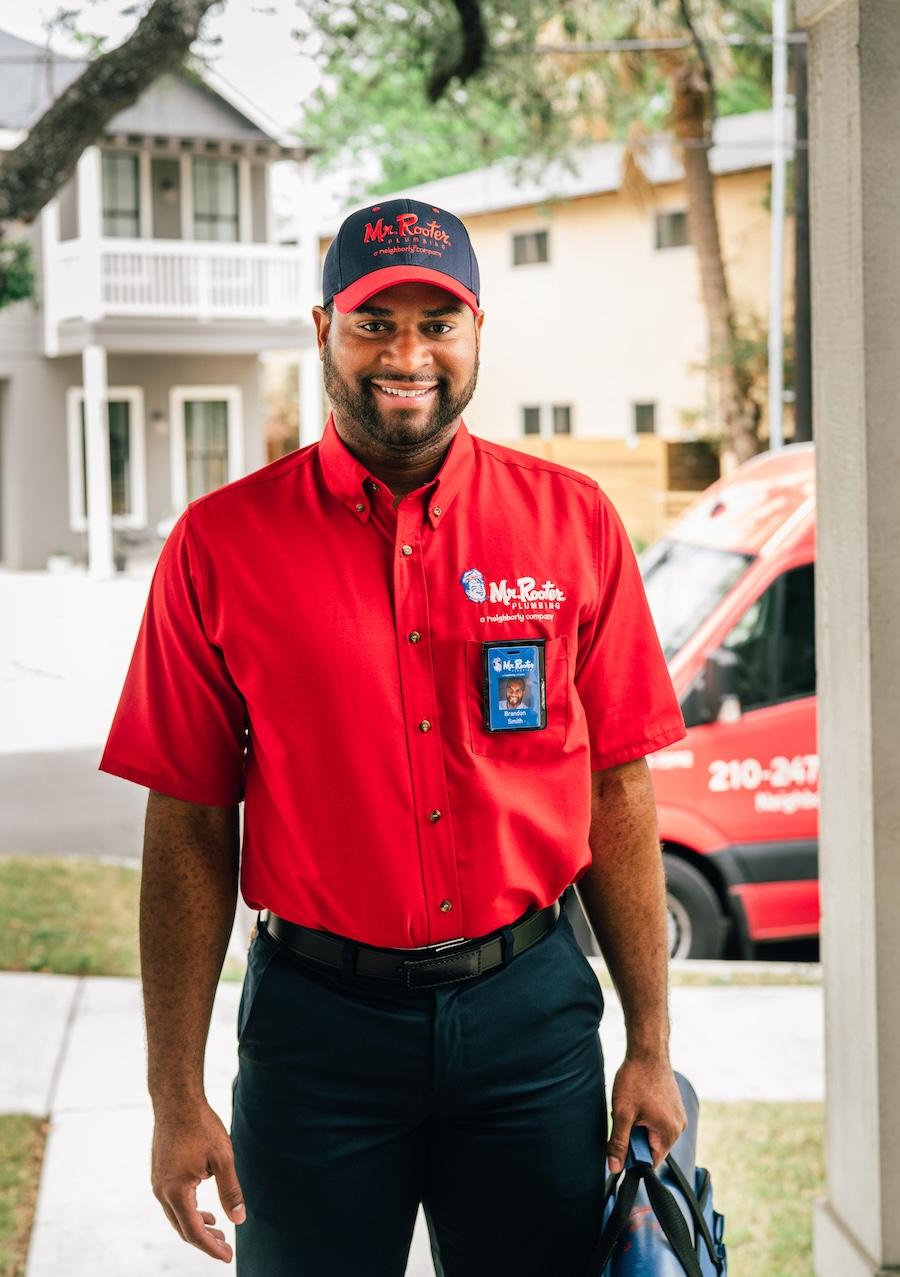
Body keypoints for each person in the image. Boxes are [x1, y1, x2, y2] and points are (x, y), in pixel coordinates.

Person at [99, 196, 689, 1277]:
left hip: (530, 1018)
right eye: (376, 321)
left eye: (437, 321)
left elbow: (618, 784)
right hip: (316, 1033)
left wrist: (650, 1044)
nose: (406, 353)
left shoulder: (574, 524)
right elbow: (188, 821)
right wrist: (172, 1091)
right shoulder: (217, 546)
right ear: (323, 328)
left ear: (476, 335)